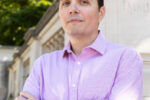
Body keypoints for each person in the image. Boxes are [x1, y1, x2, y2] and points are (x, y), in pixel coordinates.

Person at [15, 0, 143, 100]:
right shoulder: (43, 65)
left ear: (101, 13)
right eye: (66, 3)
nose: (72, 9)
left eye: (84, 2)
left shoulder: (125, 58)